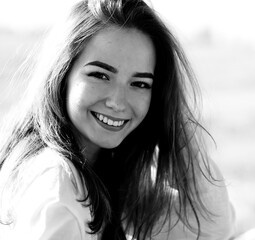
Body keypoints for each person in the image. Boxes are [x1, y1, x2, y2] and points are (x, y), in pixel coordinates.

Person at [0, 0, 236, 239]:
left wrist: (170, 117)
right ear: (62, 74)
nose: (118, 102)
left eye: (140, 84)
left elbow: (210, 228)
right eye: (100, 75)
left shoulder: (103, 171)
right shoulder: (57, 188)